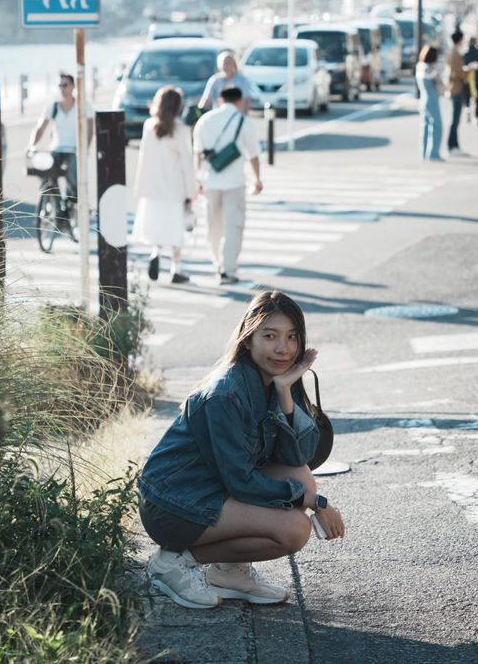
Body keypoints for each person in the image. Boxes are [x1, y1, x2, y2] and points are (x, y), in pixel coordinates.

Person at [138, 290, 345, 609]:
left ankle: (228, 571)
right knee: (294, 529)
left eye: (292, 337)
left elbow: (297, 458)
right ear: (248, 340)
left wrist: (285, 391)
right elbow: (241, 481)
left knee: (301, 478)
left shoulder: (272, 381)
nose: (283, 348)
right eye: (270, 336)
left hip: (213, 489)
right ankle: (172, 563)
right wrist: (315, 502)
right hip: (175, 504)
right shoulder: (226, 394)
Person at [193, 86, 262, 285]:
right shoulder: (244, 122)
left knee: (213, 225)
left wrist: (197, 179)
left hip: (209, 181)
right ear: (239, 101)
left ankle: (216, 263)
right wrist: (257, 179)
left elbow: (197, 153)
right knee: (233, 226)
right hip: (235, 182)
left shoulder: (204, 121)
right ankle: (228, 268)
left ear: (220, 100)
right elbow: (253, 155)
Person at [132, 86, 196, 284]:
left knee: (158, 226)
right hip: (174, 189)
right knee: (176, 230)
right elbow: (187, 164)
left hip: (152, 188)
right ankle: (176, 269)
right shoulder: (182, 130)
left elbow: (144, 158)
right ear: (177, 107)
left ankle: (155, 254)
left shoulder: (149, 126)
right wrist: (191, 192)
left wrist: (140, 187)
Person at [28, 72, 94, 204]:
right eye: (60, 85)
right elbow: (40, 128)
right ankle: (57, 206)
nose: (62, 88)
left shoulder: (82, 105)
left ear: (73, 86)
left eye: (65, 85)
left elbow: (90, 127)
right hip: (57, 149)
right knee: (46, 172)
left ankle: (72, 201)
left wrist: (84, 148)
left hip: (74, 149)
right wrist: (31, 145)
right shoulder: (52, 106)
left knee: (72, 172)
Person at [415, 44, 443, 161]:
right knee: (437, 127)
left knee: (425, 127)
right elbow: (440, 84)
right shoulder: (431, 70)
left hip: (423, 100)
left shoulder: (419, 66)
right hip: (432, 100)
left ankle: (424, 153)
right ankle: (433, 153)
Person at [444, 30, 469, 157]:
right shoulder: (455, 54)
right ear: (459, 40)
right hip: (456, 88)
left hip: (453, 87)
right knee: (455, 119)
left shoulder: (450, 52)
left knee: (455, 119)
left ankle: (453, 145)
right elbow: (458, 72)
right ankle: (452, 145)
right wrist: (469, 70)